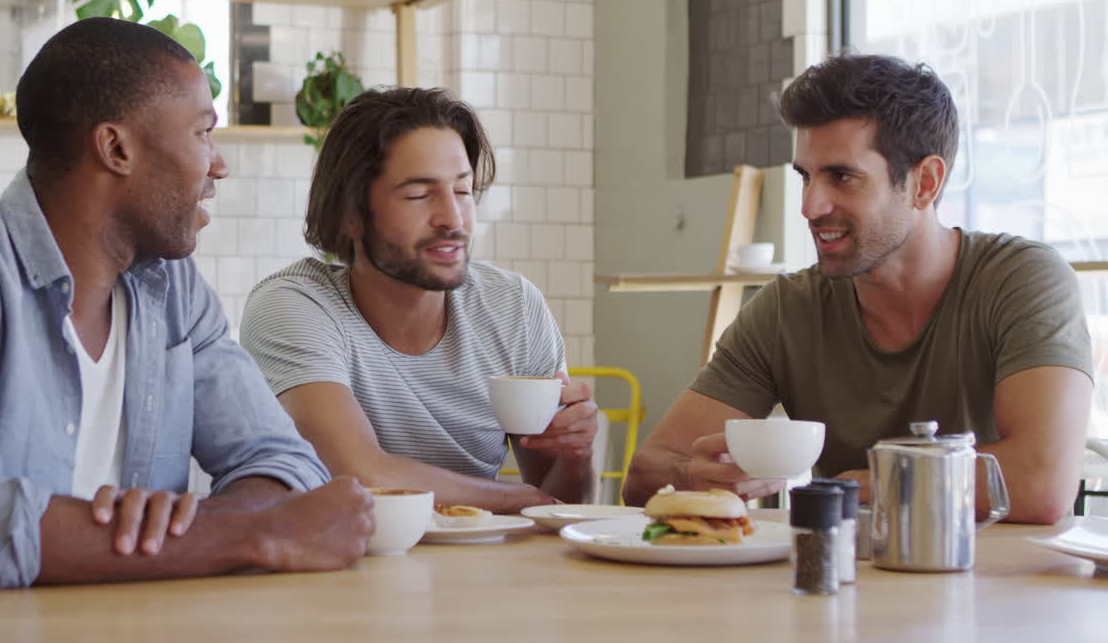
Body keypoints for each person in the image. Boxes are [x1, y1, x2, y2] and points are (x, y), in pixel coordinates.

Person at [0, 18, 374, 643]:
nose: (219, 164)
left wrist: (220, 527)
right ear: (116, 149)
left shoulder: (174, 290)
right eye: (203, 133)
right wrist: (255, 533)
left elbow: (281, 462)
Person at [623, 53, 1093, 524]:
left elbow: (1042, 482)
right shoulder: (788, 310)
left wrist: (853, 486)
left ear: (924, 184)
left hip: (1003, 588)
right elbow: (645, 475)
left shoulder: (1022, 281)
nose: (809, 206)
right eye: (805, 176)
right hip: (842, 584)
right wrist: (695, 477)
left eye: (841, 177)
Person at [241, 87, 598, 513]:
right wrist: (519, 500)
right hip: (336, 567)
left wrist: (575, 454)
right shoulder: (294, 306)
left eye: (463, 191)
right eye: (418, 195)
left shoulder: (513, 307)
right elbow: (360, 476)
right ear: (350, 213)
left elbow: (561, 507)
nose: (453, 218)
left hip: (478, 570)